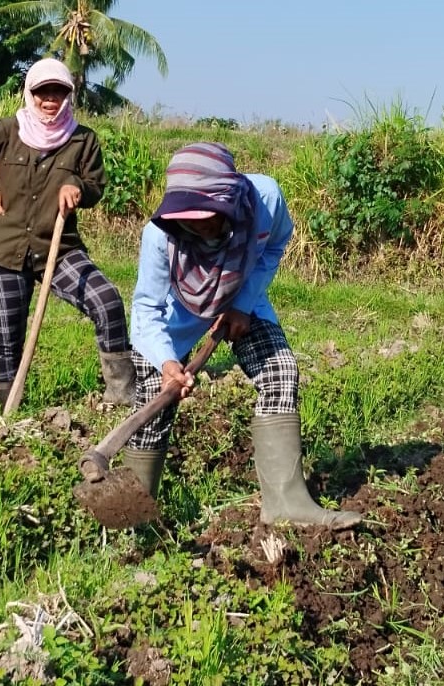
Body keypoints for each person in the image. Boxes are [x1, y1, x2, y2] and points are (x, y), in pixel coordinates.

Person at [83, 142, 360, 529]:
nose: (197, 225)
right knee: (153, 404)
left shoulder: (265, 199)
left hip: (241, 293)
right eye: (187, 218)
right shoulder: (160, 236)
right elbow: (146, 309)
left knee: (280, 371)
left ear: (229, 198)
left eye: (206, 216)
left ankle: (286, 503)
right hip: (178, 310)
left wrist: (243, 302)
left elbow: (274, 245)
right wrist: (167, 363)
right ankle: (134, 519)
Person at [0, 57, 137, 410]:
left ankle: (122, 396)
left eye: (58, 92)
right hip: (5, 250)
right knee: (7, 336)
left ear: (69, 96)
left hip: (59, 249)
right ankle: (10, 410)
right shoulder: (6, 131)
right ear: (30, 94)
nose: (50, 99)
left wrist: (76, 186)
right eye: (42, 92)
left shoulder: (83, 140)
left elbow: (96, 187)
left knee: (107, 301)